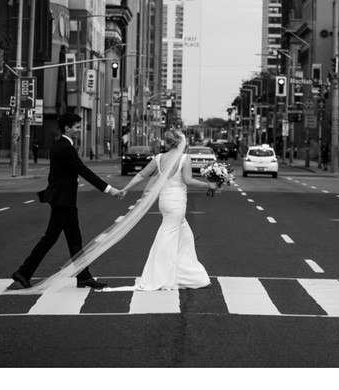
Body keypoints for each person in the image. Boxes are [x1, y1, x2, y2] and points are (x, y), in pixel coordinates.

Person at [11, 113, 121, 290]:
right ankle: (23, 272)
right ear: (67, 128)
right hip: (63, 202)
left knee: (74, 240)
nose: (79, 130)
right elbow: (83, 171)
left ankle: (84, 277)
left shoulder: (61, 146)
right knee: (50, 238)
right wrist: (110, 190)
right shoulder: (65, 148)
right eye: (77, 127)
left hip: (64, 201)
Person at [114, 129, 218, 290]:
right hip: (176, 203)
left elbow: (142, 175)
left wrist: (126, 188)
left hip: (164, 202)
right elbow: (188, 180)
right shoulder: (185, 158)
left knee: (186, 238)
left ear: (167, 143)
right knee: (167, 239)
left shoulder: (159, 158)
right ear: (181, 142)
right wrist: (208, 185)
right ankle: (158, 277)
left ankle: (187, 274)